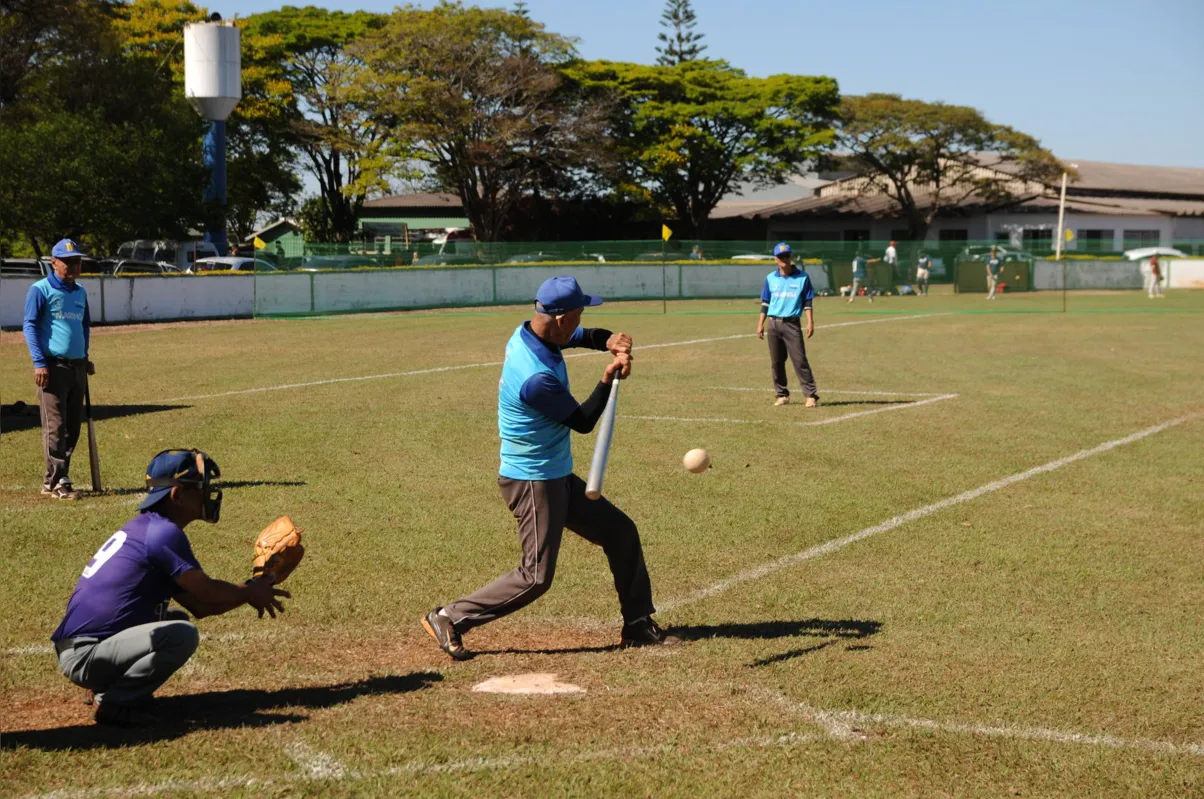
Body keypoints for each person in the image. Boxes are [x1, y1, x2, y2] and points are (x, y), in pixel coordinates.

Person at [421, 277, 675, 660]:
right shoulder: (535, 377)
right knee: (536, 577)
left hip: (554, 473)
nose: (581, 320)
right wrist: (607, 379)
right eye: (578, 314)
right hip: (533, 480)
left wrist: (607, 340)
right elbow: (584, 420)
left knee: (621, 532)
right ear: (559, 317)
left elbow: (578, 336)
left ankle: (637, 623)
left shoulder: (532, 332)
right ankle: (450, 617)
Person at [50, 449, 289, 726]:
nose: (208, 493)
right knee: (179, 635)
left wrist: (252, 588)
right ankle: (115, 704)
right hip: (86, 654)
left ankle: (111, 686)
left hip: (85, 649)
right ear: (177, 495)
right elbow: (207, 592)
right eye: (201, 487)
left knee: (176, 620)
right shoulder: (164, 533)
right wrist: (250, 591)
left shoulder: (149, 528)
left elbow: (200, 606)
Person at [23, 238, 94, 500]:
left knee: (73, 427)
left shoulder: (81, 293)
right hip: (52, 368)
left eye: (77, 261)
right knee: (55, 425)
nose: (74, 266)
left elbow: (84, 327)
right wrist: (39, 362)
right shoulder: (39, 290)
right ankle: (59, 481)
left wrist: (85, 357)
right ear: (53, 263)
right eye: (67, 261)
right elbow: (29, 326)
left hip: (77, 368)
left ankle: (51, 479)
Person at [756, 243, 819, 408]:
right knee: (776, 362)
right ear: (776, 259)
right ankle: (782, 394)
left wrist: (810, 321)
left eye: (787, 256)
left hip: (792, 324)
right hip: (773, 323)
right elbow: (765, 303)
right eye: (781, 257)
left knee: (799, 360)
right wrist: (760, 323)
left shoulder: (802, 277)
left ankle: (810, 395)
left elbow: (807, 301)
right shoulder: (770, 278)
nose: (785, 259)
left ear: (791, 257)